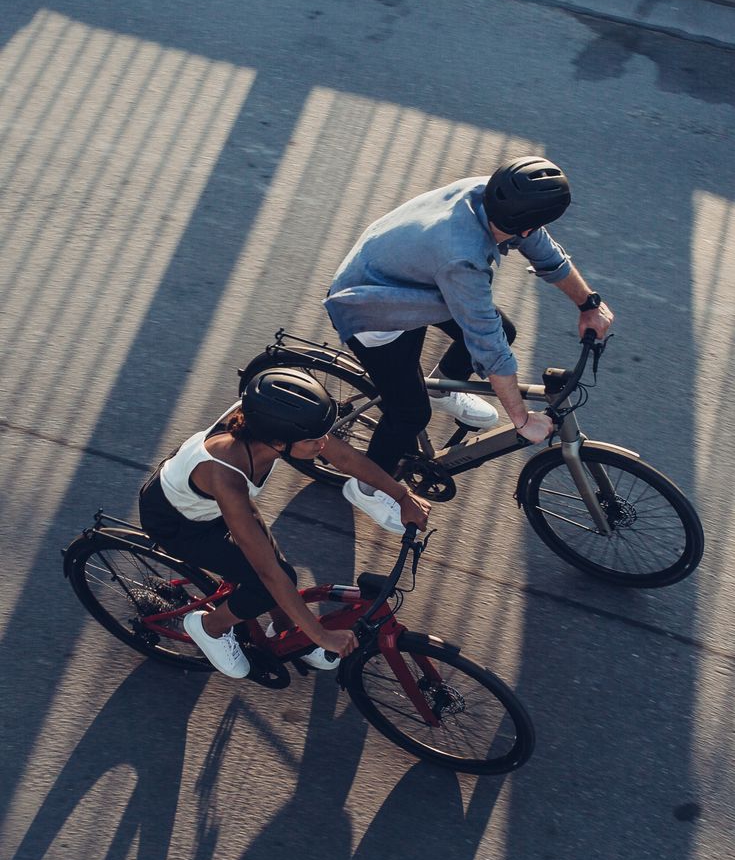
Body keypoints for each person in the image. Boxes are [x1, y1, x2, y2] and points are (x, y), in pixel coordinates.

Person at [324, 156, 614, 533]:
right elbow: (487, 345)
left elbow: (544, 252)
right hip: (372, 308)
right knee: (410, 414)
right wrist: (521, 419)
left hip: (409, 277)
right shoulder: (461, 259)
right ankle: (366, 487)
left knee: (504, 329)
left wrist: (588, 304)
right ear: (525, 225)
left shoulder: (493, 197)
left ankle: (444, 387)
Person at [139, 368, 431, 680]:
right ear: (279, 443)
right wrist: (321, 635)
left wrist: (401, 496)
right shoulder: (225, 475)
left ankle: (285, 630)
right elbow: (268, 574)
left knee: (278, 572)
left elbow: (344, 458)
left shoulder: (267, 428)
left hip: (210, 502)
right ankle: (209, 626)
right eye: (315, 439)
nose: (324, 443)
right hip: (177, 522)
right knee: (269, 581)